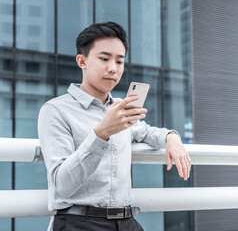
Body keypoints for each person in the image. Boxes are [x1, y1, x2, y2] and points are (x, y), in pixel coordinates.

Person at [38, 21, 191, 231]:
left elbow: (146, 132)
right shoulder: (55, 111)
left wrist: (171, 137)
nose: (113, 68)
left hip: (127, 222)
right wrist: (102, 133)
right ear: (82, 61)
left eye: (119, 61)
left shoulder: (120, 109)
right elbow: (62, 185)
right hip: (79, 223)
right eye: (104, 58)